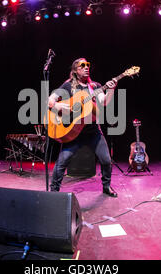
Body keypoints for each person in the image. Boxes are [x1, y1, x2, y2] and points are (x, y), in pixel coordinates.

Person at [48, 58, 118, 197]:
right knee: (62, 162)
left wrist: (111, 90)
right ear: (75, 70)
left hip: (92, 132)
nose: (87, 67)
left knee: (106, 160)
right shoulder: (68, 86)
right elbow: (51, 100)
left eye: (88, 65)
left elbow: (104, 102)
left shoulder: (95, 86)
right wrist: (56, 105)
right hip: (73, 133)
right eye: (83, 65)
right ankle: (53, 192)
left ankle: (106, 187)